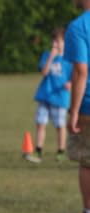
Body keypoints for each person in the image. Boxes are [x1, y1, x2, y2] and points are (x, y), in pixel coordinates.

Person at [27, 27, 72, 163]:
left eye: (58, 41)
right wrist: (51, 57)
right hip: (45, 95)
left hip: (60, 97)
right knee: (40, 123)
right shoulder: (47, 55)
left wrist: (71, 83)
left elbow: (76, 76)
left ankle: (61, 151)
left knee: (60, 125)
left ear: (65, 42)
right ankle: (38, 150)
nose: (54, 44)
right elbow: (44, 72)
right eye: (53, 41)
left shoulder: (69, 59)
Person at [64, 0, 90, 213]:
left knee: (87, 161)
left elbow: (81, 71)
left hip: (88, 106)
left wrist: (74, 112)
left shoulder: (79, 26)